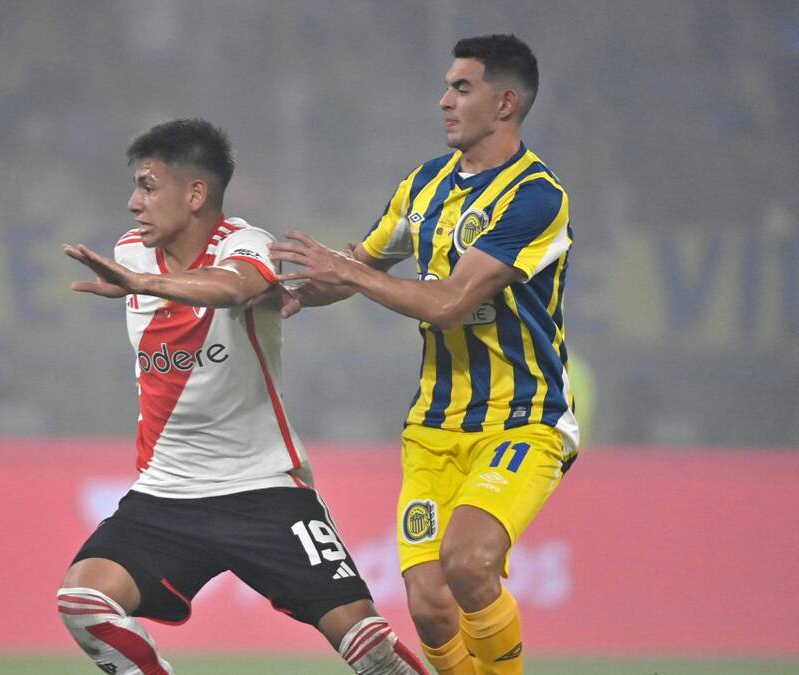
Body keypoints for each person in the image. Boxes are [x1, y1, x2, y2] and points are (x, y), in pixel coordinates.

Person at [58, 118, 427, 675]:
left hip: (264, 490)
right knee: (84, 602)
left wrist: (145, 287)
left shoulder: (245, 243)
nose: (134, 203)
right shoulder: (131, 253)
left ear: (196, 194)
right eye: (135, 187)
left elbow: (234, 287)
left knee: (368, 644)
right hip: (168, 493)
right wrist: (141, 279)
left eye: (149, 187)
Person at [267, 34, 577, 675]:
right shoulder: (423, 186)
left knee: (468, 564)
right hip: (433, 428)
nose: (444, 101)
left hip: (521, 420)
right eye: (446, 86)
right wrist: (279, 291)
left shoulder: (536, 198)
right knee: (430, 605)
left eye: (462, 88)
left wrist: (348, 274)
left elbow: (449, 302)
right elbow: (359, 263)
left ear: (506, 103)